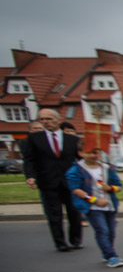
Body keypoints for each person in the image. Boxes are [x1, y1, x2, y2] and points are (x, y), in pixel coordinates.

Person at [21, 108, 82, 252]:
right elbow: (29, 159)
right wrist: (30, 176)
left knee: (74, 212)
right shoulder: (35, 139)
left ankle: (76, 240)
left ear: (58, 120)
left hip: (70, 181)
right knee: (54, 214)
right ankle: (60, 242)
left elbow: (80, 159)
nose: (45, 122)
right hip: (48, 181)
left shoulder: (72, 139)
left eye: (48, 119)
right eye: (42, 119)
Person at [66, 143, 123, 267]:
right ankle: (111, 256)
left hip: (109, 205)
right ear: (81, 153)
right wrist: (94, 200)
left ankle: (107, 251)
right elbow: (76, 189)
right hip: (93, 207)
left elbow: (119, 186)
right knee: (102, 230)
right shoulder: (76, 170)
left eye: (96, 152)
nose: (93, 155)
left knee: (111, 232)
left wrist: (110, 188)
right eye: (89, 152)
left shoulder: (107, 168)